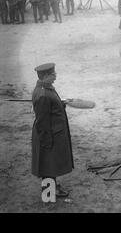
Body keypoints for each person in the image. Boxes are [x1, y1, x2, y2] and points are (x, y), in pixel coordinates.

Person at [31, 63, 74, 199]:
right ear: (45, 76)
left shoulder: (45, 89)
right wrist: (46, 142)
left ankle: (50, 188)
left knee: (49, 163)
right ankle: (49, 193)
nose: (55, 76)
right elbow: (42, 122)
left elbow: (49, 109)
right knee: (48, 164)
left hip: (51, 133)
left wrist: (60, 104)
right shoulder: (43, 94)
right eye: (52, 75)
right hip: (48, 134)